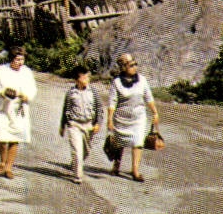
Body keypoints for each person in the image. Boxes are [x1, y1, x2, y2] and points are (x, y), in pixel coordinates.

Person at [105, 52, 159, 181]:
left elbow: (148, 97)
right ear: (123, 67)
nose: (135, 67)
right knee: (119, 142)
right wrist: (109, 119)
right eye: (131, 65)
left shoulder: (142, 80)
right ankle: (116, 165)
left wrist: (155, 112)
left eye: (135, 64)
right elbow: (112, 102)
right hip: (121, 118)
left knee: (138, 142)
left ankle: (135, 171)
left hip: (138, 118)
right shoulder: (116, 82)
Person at [0, 47, 37, 179]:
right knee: (2, 138)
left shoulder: (27, 72)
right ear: (11, 59)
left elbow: (33, 89)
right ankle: (2, 162)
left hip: (19, 110)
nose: (20, 62)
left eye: (22, 59)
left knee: (15, 139)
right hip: (3, 108)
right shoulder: (1, 70)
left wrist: (27, 96)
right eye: (17, 59)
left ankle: (9, 167)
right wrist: (1, 92)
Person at [58, 64, 105, 184]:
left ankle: (75, 163)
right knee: (77, 150)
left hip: (89, 125)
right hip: (74, 124)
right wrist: (62, 125)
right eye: (84, 78)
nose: (87, 80)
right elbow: (66, 109)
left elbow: (99, 108)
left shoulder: (93, 92)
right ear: (77, 79)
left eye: (88, 77)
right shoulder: (71, 93)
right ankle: (78, 175)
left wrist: (98, 123)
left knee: (86, 151)